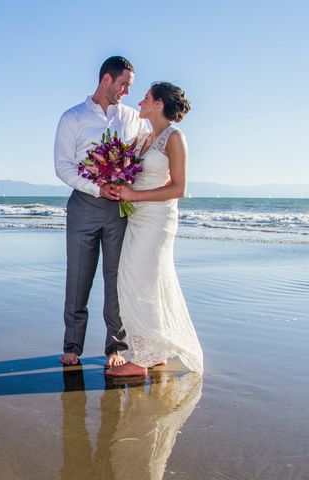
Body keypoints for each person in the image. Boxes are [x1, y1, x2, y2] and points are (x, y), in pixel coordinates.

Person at [54, 56, 149, 367]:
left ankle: (116, 348)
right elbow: (63, 167)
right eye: (124, 84)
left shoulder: (132, 118)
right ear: (106, 80)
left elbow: (148, 149)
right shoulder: (73, 117)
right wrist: (97, 187)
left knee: (115, 279)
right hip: (83, 205)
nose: (126, 91)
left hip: (119, 209)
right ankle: (72, 346)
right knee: (78, 277)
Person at [106, 82, 204, 377]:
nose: (141, 101)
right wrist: (116, 184)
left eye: (146, 97)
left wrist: (134, 195)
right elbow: (130, 175)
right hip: (136, 217)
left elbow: (179, 188)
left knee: (140, 282)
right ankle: (155, 351)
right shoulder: (143, 138)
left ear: (159, 103)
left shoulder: (174, 138)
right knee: (137, 281)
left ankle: (141, 359)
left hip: (158, 220)